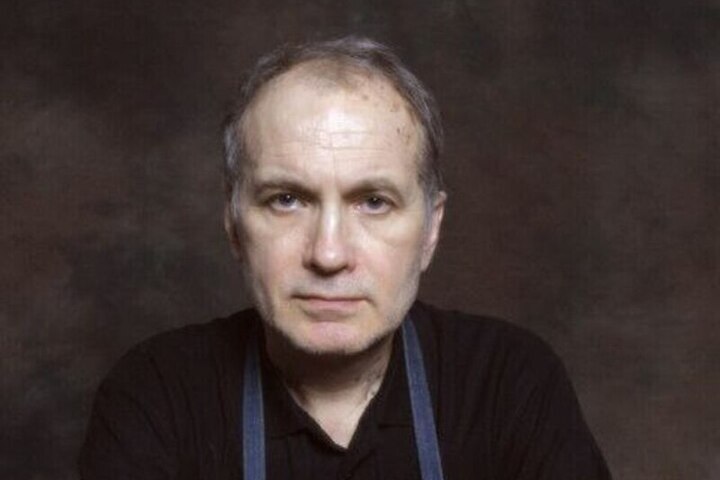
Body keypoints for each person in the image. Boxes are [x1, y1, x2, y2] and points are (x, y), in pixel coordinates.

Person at [79, 36, 611, 480]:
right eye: (287, 199)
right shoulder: (158, 395)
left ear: (431, 229)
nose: (328, 254)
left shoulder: (507, 385)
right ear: (234, 223)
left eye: (373, 202)